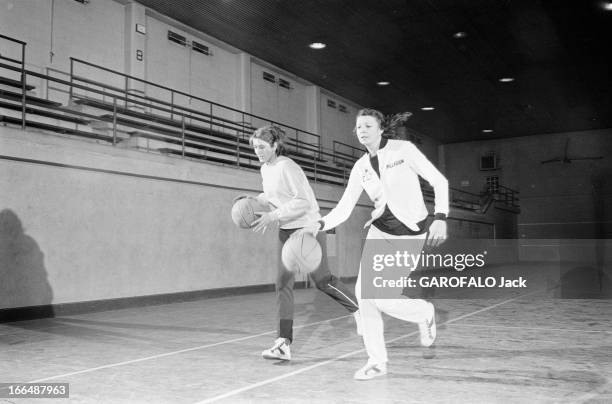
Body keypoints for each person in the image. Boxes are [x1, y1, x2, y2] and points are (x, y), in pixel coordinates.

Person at [303, 108, 449, 380]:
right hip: (380, 233)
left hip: (409, 235)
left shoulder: (403, 150)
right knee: (365, 296)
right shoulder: (360, 167)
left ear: (381, 129)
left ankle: (423, 312)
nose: (362, 130)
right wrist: (320, 224)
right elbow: (345, 206)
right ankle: (376, 362)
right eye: (359, 127)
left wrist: (441, 216)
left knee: (384, 298)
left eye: (368, 126)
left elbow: (438, 181)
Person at [239, 124, 360, 361]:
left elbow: (303, 202)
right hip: (286, 231)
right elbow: (273, 196)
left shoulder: (287, 167)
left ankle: (360, 311)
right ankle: (283, 343)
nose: (258, 151)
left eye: (262, 147)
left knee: (323, 282)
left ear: (275, 146)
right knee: (282, 283)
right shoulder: (265, 168)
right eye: (255, 148)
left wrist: (273, 216)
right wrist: (254, 201)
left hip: (307, 229)